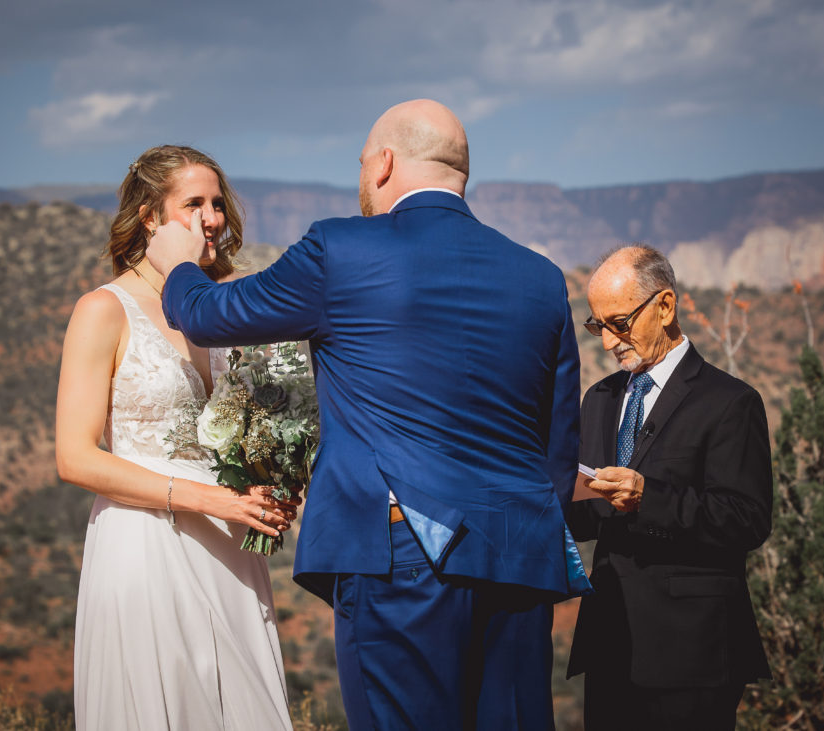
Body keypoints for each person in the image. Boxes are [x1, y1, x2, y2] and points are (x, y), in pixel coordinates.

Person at [146, 99, 582, 730]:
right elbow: (557, 442)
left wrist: (178, 263)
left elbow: (211, 317)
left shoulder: (341, 249)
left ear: (383, 164)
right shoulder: (542, 278)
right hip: (520, 560)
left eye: (360, 164)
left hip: (403, 557)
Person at [55, 145, 296, 730]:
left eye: (217, 203)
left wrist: (279, 478)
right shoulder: (102, 310)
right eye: (193, 203)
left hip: (231, 550)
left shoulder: (229, 308)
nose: (211, 217)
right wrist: (209, 499)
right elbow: (75, 457)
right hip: (146, 544)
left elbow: (264, 424)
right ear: (149, 218)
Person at [567, 245, 772, 730]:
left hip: (692, 653)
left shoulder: (730, 402)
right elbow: (588, 513)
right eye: (599, 326)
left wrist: (648, 498)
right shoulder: (600, 399)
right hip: (611, 643)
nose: (609, 343)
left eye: (620, 323)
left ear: (665, 306)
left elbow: (747, 519)